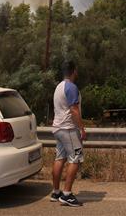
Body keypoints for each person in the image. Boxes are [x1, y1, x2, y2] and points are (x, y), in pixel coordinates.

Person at [51, 60, 87, 207]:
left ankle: (56, 192)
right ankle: (67, 194)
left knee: (60, 158)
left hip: (58, 128)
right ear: (74, 71)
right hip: (68, 129)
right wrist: (81, 128)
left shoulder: (59, 87)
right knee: (75, 159)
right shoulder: (72, 87)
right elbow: (74, 110)